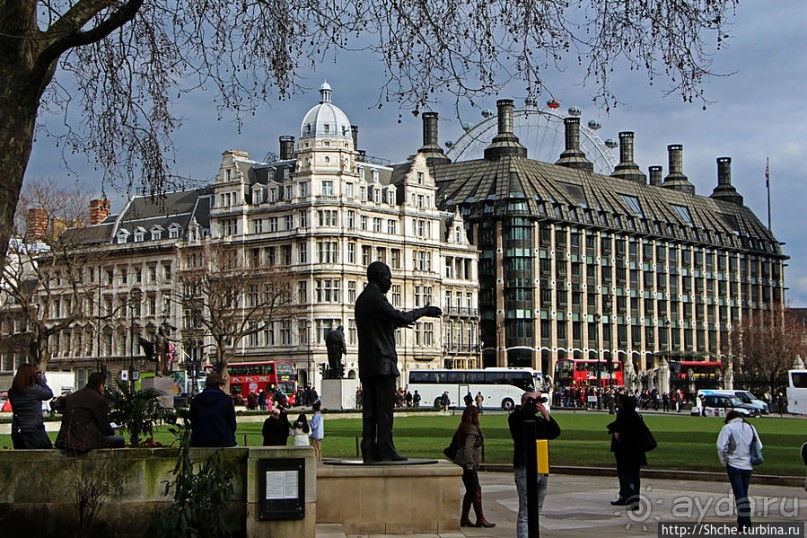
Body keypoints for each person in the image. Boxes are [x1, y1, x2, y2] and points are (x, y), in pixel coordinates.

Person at [354, 261, 441, 463]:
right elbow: (400, 316)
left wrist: (392, 325)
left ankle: (369, 448)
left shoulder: (362, 300)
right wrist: (423, 311)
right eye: (388, 278)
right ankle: (385, 449)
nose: (390, 283)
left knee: (369, 411)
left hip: (367, 364)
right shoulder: (376, 299)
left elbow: (379, 325)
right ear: (379, 277)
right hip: (382, 363)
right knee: (384, 412)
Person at [508, 391, 561, 538]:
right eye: (534, 401)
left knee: (536, 509)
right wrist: (531, 400)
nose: (538, 404)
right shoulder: (516, 418)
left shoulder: (536, 421)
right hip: (525, 467)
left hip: (541, 466)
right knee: (525, 509)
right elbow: (523, 413)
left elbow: (555, 432)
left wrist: (546, 415)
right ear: (526, 402)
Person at [55, 372, 125, 452]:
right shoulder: (98, 399)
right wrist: (111, 431)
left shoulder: (72, 397)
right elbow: (102, 423)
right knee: (119, 440)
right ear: (101, 386)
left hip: (65, 440)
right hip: (83, 441)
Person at [717, 410, 763, 530]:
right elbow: (759, 445)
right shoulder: (750, 427)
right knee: (743, 493)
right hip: (748, 465)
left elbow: (721, 447)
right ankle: (742, 520)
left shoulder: (728, 428)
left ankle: (745, 522)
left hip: (734, 464)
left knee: (739, 494)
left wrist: (724, 461)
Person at [607, 393, 651, 509]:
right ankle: (627, 496)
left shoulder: (625, 416)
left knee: (627, 475)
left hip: (626, 450)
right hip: (636, 451)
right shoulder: (636, 415)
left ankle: (631, 499)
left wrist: (617, 434)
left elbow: (616, 429)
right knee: (633, 475)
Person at [453, 406, 495, 528]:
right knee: (476, 490)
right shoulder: (472, 429)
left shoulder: (462, 427)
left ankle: (465, 518)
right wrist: (470, 464)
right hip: (468, 464)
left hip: (462, 461)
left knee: (471, 491)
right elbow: (468, 449)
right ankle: (480, 518)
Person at [8, 364, 53, 449]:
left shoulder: (12, 392)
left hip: (18, 428)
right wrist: (40, 380)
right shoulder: (34, 390)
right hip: (34, 428)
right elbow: (49, 394)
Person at [189, 373, 237, 447]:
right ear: (220, 385)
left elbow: (193, 420)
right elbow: (232, 423)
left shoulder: (197, 400)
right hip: (224, 440)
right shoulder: (226, 400)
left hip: (199, 441)